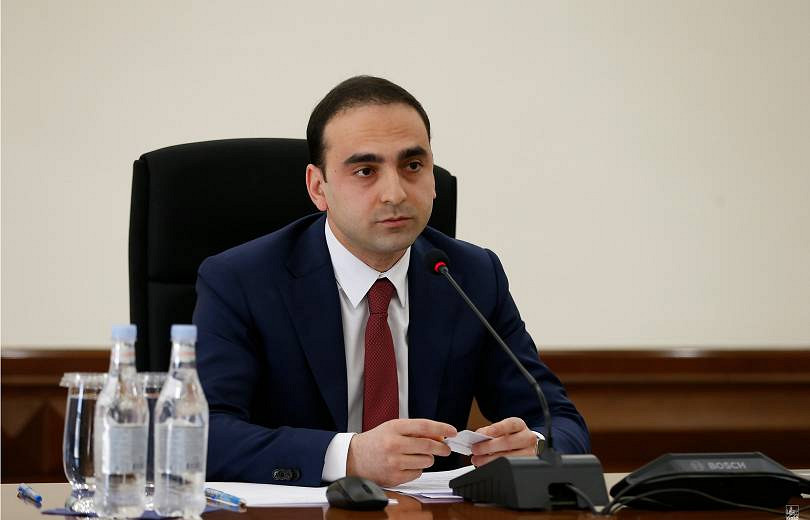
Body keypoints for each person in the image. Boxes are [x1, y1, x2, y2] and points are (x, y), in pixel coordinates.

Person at [193, 76, 590, 487]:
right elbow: (203, 435)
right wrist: (348, 456)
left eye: (412, 166)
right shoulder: (240, 280)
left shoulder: (470, 275)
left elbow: (558, 419)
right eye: (366, 170)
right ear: (318, 187)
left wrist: (534, 448)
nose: (395, 193)